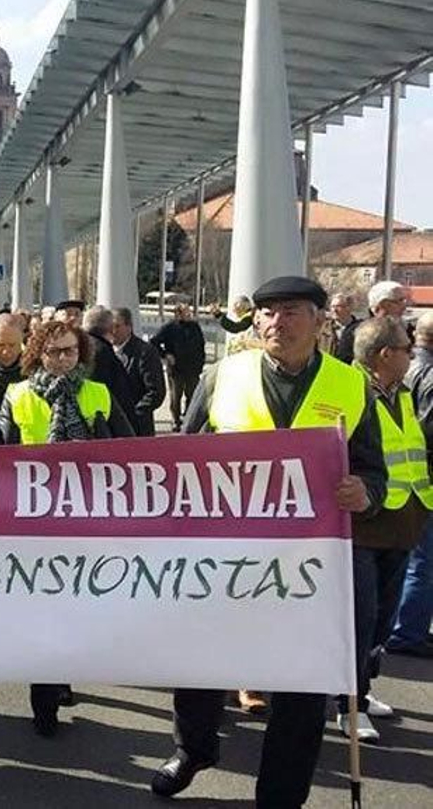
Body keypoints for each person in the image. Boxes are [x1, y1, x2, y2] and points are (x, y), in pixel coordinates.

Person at [150, 276, 383, 808]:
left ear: (320, 320)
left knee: (302, 688)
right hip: (224, 555)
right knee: (199, 663)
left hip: (310, 566)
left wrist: (364, 491)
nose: (278, 321)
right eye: (268, 312)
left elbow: (375, 470)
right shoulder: (223, 376)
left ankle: (280, 795)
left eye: (292, 311)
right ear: (255, 322)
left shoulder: (352, 385)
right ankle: (193, 749)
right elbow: (181, 459)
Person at [0, 319, 132, 737]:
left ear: (82, 354)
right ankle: (44, 699)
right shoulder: (17, 395)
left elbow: (133, 451)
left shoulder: (99, 394)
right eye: (53, 352)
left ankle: (62, 674)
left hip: (85, 519)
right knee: (43, 609)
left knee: (74, 606)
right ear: (37, 354)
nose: (61, 360)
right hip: (32, 519)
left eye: (69, 351)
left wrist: (101, 441)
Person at [338, 316, 427, 742]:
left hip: (401, 525)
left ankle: (364, 689)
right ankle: (345, 704)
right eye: (407, 349)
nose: (412, 355)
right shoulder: (349, 390)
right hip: (362, 529)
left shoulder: (403, 393)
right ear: (385, 355)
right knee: (359, 619)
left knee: (381, 623)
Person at [389, 312, 433, 659]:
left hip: (407, 482)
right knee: (423, 562)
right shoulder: (429, 374)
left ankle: (406, 628)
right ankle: (408, 632)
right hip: (417, 482)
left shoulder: (411, 372)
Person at [149, 304, 207, 432]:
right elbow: (153, 342)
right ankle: (176, 420)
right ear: (178, 314)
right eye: (186, 312)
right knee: (176, 396)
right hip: (176, 369)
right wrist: (165, 355)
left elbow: (201, 345)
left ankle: (188, 418)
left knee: (192, 395)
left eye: (189, 312)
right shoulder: (169, 327)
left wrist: (201, 363)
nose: (189, 314)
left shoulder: (195, 327)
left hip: (193, 368)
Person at [109, 308, 166, 436]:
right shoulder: (106, 352)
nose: (112, 331)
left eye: (117, 326)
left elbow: (156, 392)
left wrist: (134, 412)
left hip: (138, 428)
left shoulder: (145, 352)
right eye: (110, 327)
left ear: (129, 327)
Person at [334, 281, 409, 363]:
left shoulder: (408, 330)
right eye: (400, 301)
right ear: (382, 305)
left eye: (405, 301)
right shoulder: (355, 333)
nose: (404, 306)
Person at [319, 292, 356, 357]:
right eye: (332, 306)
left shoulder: (359, 329)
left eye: (338, 306)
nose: (334, 310)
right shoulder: (323, 329)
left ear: (348, 308)